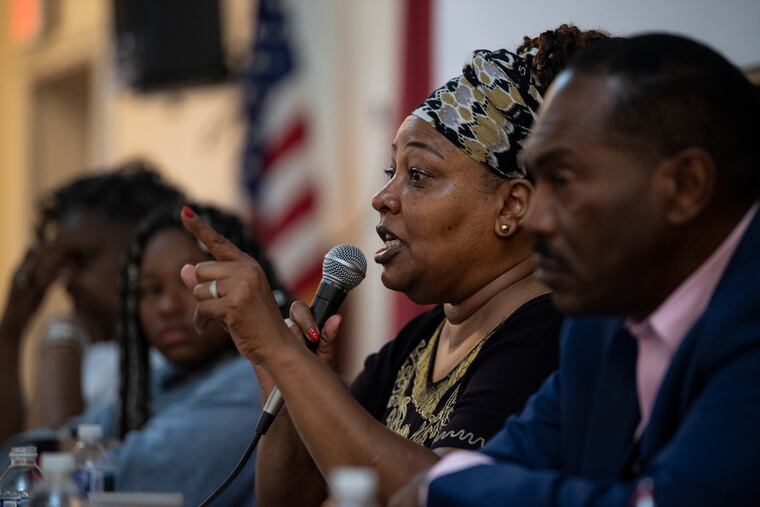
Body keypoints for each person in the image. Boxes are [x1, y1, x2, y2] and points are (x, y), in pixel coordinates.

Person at [179, 25, 608, 505]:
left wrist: (285, 353)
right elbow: (292, 501)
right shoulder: (418, 341)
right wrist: (282, 379)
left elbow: (442, 495)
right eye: (392, 173)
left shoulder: (549, 332)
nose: (383, 198)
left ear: (511, 207)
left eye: (419, 175)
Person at [390, 33, 760, 507]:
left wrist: (440, 488)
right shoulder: (598, 327)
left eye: (562, 181)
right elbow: (495, 467)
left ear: (685, 187)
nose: (538, 218)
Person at [77, 203, 289, 505]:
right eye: (151, 290)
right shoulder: (158, 382)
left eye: (192, 282)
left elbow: (122, 481)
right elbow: (23, 458)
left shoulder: (254, 380)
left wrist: (98, 455)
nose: (168, 306)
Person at [0, 162, 184, 443]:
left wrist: (63, 331)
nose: (66, 280)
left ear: (143, 249)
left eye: (82, 259)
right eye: (62, 265)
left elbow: (53, 465)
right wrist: (11, 332)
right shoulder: (89, 348)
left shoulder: (172, 354)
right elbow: (12, 458)